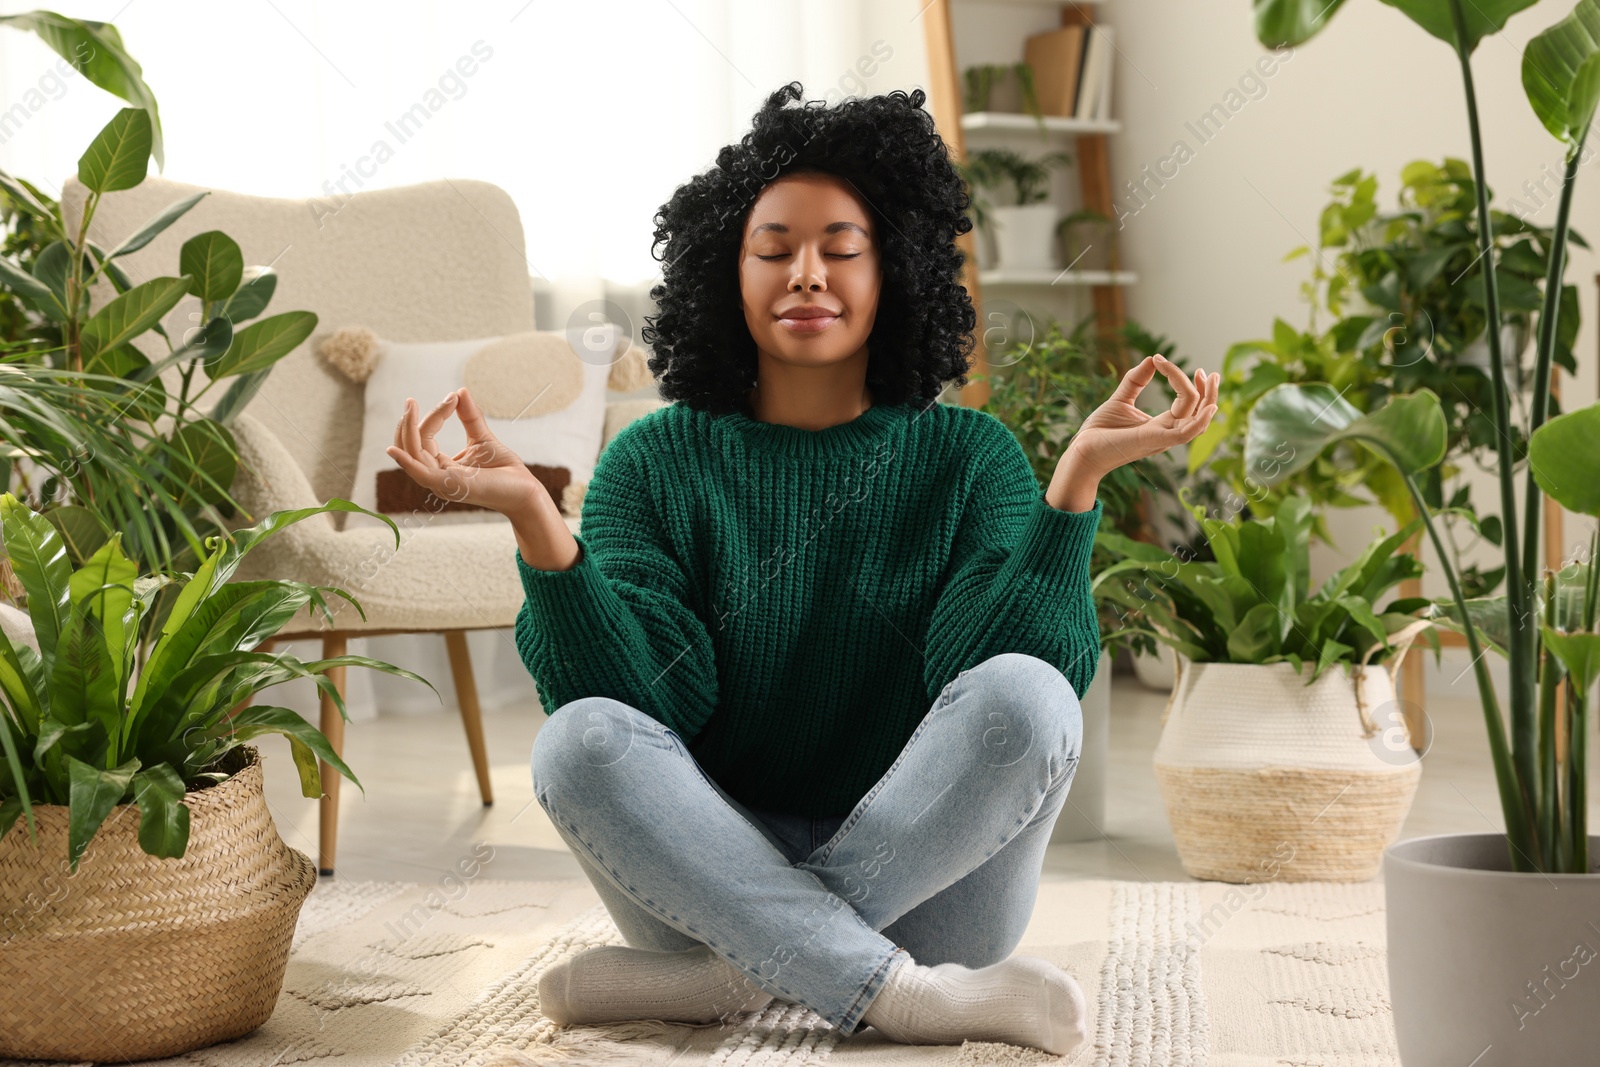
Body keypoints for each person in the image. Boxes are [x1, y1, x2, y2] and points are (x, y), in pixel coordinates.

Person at [385, 82, 1218, 1057]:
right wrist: (539, 524)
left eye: (841, 248)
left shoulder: (969, 454)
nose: (807, 274)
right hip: (708, 882)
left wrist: (1071, 487)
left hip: (934, 894)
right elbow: (645, 695)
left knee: (1030, 695)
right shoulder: (656, 459)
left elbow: (995, 671)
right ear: (724, 275)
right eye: (774, 249)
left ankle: (728, 982)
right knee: (578, 740)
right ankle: (904, 997)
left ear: (895, 267)